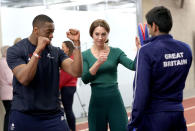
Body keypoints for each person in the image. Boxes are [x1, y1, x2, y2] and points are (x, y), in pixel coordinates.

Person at [6, 14, 82, 131]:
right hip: (24, 115)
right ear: (36, 30)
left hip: (53, 115)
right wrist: (38, 51)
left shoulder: (56, 52)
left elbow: (76, 71)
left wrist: (77, 44)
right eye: (48, 32)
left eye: (53, 32)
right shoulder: (16, 50)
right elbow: (24, 78)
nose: (52, 35)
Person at [128, 6, 192, 131]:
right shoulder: (186, 49)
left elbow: (141, 92)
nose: (148, 29)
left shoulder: (145, 51)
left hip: (155, 118)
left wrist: (133, 122)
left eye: (148, 26)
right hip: (178, 114)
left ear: (155, 26)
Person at [81, 19, 139, 131]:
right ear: (91, 34)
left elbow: (133, 66)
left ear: (107, 35)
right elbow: (85, 79)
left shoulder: (116, 52)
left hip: (115, 101)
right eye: (97, 34)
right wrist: (98, 63)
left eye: (103, 34)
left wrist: (139, 49)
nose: (100, 37)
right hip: (96, 102)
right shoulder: (85, 55)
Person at [59, 41, 77, 131]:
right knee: (68, 110)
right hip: (70, 86)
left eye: (63, 47)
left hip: (67, 87)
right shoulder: (71, 58)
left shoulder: (70, 59)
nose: (61, 49)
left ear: (68, 48)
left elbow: (65, 76)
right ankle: (71, 128)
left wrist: (57, 87)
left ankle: (71, 129)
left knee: (68, 110)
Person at [0, 45, 13, 131]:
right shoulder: (6, 63)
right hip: (9, 94)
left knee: (8, 113)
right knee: (10, 114)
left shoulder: (1, 62)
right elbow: (10, 79)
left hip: (3, 93)